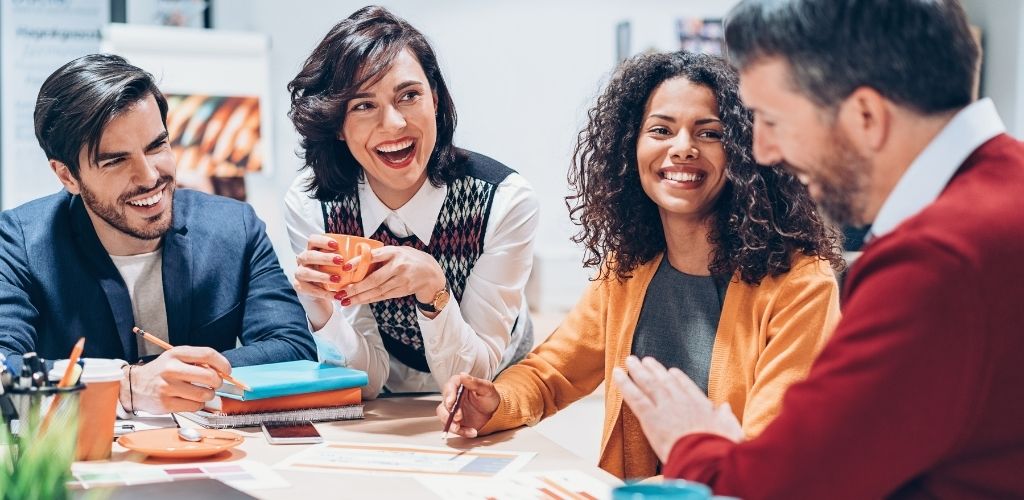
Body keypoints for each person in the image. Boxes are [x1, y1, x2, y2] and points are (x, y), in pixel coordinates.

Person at [615, 1, 1024, 498]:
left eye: (770, 119)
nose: (763, 151)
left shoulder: (937, 260)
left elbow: (789, 486)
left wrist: (694, 440)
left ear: (866, 116)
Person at [436, 51, 843, 480]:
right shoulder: (629, 268)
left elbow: (771, 460)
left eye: (709, 133)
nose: (682, 148)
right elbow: (550, 373)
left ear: (744, 152)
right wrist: (495, 402)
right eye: (661, 130)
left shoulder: (801, 285)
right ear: (632, 147)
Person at [0, 54, 316, 415]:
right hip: (80, 462)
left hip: (215, 456)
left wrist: (188, 377)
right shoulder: (21, 242)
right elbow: (3, 368)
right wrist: (125, 385)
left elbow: (293, 348)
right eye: (116, 160)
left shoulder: (234, 227)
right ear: (67, 177)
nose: (150, 176)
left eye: (156, 146)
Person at [285, 6, 538, 398]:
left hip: (496, 371)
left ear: (434, 100)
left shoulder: (502, 200)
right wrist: (318, 309)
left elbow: (475, 376)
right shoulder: (315, 205)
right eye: (363, 105)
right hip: (390, 380)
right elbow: (364, 382)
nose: (394, 124)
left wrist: (432, 285)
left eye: (409, 96)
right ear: (337, 124)